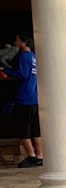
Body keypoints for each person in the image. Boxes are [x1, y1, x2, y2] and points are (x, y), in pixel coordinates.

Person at [0, 32, 42, 168]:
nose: (14, 42)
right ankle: (40, 155)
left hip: (23, 98)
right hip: (33, 97)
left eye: (17, 40)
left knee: (22, 129)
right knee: (35, 128)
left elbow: (23, 74)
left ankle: (31, 156)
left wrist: (6, 70)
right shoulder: (32, 56)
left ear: (23, 42)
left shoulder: (23, 56)